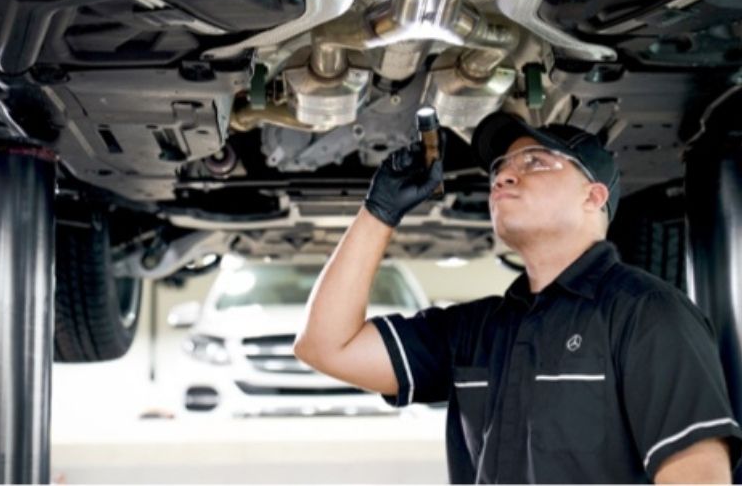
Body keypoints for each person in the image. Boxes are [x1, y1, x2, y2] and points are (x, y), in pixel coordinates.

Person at [293, 111, 742, 483]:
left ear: (593, 196)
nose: (505, 176)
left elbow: (698, 473)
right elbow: (327, 346)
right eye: (500, 169)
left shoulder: (647, 314)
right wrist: (380, 211)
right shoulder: (475, 330)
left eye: (534, 162)